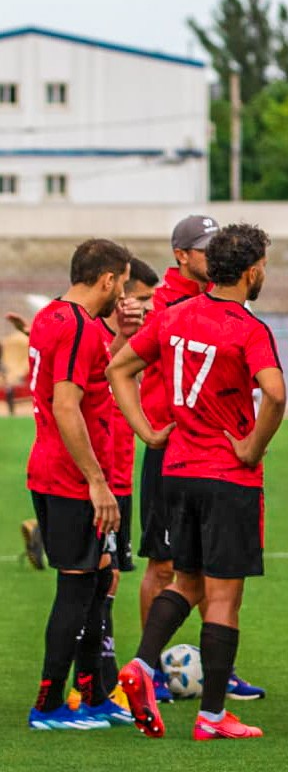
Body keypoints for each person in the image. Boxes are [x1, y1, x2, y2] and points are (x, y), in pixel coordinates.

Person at [111, 224, 284, 740]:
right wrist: (253, 447)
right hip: (228, 476)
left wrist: (147, 431)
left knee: (184, 582)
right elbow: (274, 394)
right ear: (251, 271)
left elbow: (119, 368)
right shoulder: (249, 328)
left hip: (177, 469)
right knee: (224, 596)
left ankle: (142, 664)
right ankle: (211, 716)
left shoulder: (174, 317)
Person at [26, 239, 131, 730]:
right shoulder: (73, 327)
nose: (124, 293)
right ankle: (47, 707)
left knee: (99, 580)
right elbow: (66, 405)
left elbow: (86, 378)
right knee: (76, 587)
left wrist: (119, 338)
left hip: (59, 470)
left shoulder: (58, 316)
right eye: (123, 283)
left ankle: (91, 695)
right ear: (108, 279)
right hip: (69, 479)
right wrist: (96, 482)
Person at [79, 257, 158, 710]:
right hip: (99, 480)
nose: (144, 305)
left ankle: (100, 683)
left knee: (107, 581)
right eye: (138, 296)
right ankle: (86, 685)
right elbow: (93, 378)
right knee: (93, 580)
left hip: (120, 476)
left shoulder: (121, 343)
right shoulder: (94, 336)